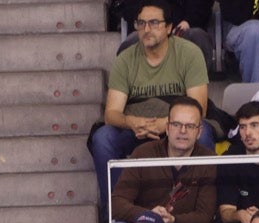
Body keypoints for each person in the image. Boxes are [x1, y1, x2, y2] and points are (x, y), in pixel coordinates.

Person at [90, 2, 211, 199]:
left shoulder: (189, 53)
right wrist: (132, 122)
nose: (147, 29)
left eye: (154, 23)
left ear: (169, 27)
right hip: (137, 126)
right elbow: (111, 113)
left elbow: (199, 108)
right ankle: (115, 211)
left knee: (202, 134)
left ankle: (201, 208)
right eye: (141, 23)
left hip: (176, 123)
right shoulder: (125, 59)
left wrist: (167, 123)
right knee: (103, 138)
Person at [104, 96, 217, 223]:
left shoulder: (208, 160)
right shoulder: (143, 153)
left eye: (190, 126)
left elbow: (205, 216)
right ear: (167, 127)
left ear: (199, 131)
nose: (183, 131)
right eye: (177, 124)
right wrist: (147, 216)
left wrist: (173, 220)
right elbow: (117, 203)